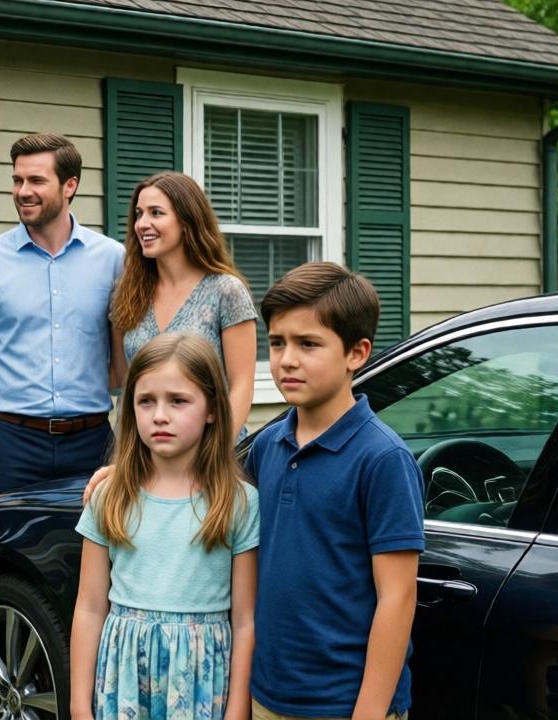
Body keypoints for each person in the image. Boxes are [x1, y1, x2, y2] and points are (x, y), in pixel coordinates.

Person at [85, 262, 424, 720]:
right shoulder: (269, 445)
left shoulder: (382, 460)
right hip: (266, 694)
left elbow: (397, 600)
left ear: (356, 353)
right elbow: (195, 471)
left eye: (308, 344)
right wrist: (123, 469)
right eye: (278, 342)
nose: (287, 360)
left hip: (344, 702)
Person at [70, 332, 259, 720]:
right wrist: (78, 705)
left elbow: (245, 621)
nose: (159, 415)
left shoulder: (238, 503)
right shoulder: (110, 496)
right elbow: (89, 608)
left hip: (201, 685)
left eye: (178, 401)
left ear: (211, 409)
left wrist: (238, 709)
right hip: (124, 681)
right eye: (145, 401)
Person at [0, 132, 124, 498]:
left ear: (69, 185)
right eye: (17, 180)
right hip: (12, 444)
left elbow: (133, 355)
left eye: (36, 180)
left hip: (93, 444)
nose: (23, 191)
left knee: (100, 552)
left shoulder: (113, 260)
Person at [110, 172, 257, 436]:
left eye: (156, 213)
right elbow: (124, 380)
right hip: (142, 453)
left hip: (209, 455)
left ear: (187, 221)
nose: (142, 224)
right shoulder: (128, 292)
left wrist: (215, 453)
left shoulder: (225, 291)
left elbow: (241, 386)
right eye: (139, 213)